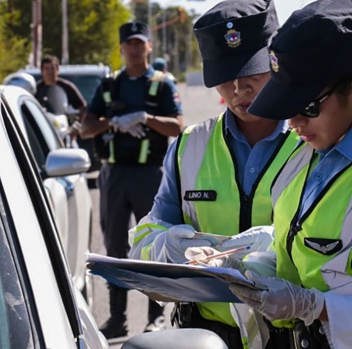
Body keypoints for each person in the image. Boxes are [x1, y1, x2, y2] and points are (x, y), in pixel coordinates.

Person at [127, 1, 301, 348]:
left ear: (277, 60)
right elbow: (146, 240)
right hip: (207, 336)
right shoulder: (189, 146)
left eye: (252, 72)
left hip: (295, 333)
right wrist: (166, 248)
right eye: (225, 77)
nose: (239, 90)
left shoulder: (313, 142)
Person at [200, 1, 352, 348]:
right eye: (287, 106)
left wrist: (316, 306)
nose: (295, 122)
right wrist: (264, 255)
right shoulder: (321, 153)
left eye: (308, 106)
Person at [81, 21, 184, 338]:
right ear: (122, 48)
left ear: (149, 47)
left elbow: (178, 126)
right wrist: (113, 121)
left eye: (140, 43)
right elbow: (86, 128)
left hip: (149, 176)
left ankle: (156, 316)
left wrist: (145, 118)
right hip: (115, 175)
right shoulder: (110, 85)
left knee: (151, 242)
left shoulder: (163, 84)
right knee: (114, 246)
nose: (135, 49)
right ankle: (117, 318)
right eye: (129, 44)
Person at [35, 54, 87, 140]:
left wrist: (75, 129)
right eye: (47, 69)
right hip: (43, 133)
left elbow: (83, 107)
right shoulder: (37, 89)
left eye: (53, 68)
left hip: (64, 133)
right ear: (42, 71)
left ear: (58, 70)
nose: (50, 72)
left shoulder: (67, 87)